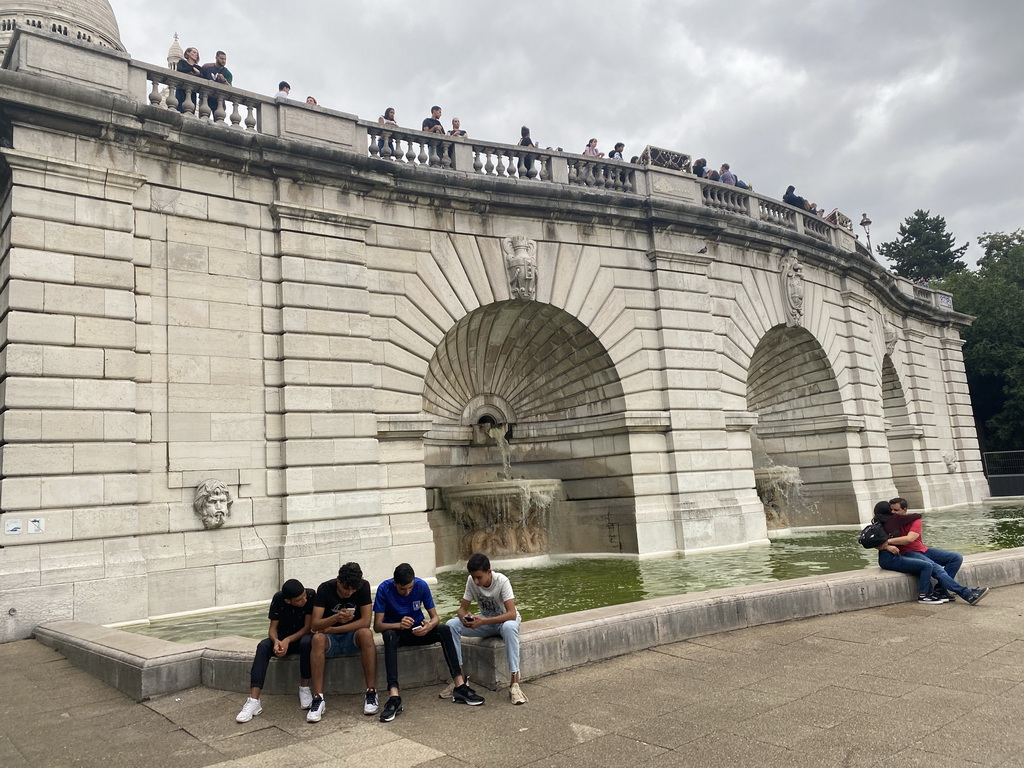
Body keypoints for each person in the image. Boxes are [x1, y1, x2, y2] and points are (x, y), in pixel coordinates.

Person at [374, 563, 483, 722]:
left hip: (419, 630)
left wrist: (429, 627)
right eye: (402, 589)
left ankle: (460, 686)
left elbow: (435, 617)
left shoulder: (421, 586)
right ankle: (394, 696)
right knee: (389, 635)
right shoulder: (384, 589)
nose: (407, 592)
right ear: (395, 583)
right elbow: (377, 626)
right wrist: (398, 624)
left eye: (410, 588)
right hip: (397, 633)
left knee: (445, 630)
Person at [445, 553, 527, 705]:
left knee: (509, 627)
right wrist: (465, 617)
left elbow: (511, 614)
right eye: (473, 577)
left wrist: (483, 622)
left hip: (504, 622)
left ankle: (515, 684)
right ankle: (460, 681)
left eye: (479, 577)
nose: (476, 581)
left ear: (489, 572)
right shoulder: (471, 581)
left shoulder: (502, 581)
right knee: (451, 625)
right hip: (485, 623)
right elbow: (461, 609)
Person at [871, 501, 989, 605]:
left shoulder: (910, 520)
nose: (893, 512)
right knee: (935, 568)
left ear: (905, 510)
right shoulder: (891, 522)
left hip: (923, 550)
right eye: (891, 510)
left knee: (956, 557)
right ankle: (967, 593)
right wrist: (885, 545)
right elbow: (877, 541)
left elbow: (910, 536)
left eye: (896, 510)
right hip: (909, 553)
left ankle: (941, 590)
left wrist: (885, 543)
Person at [306, 562, 379, 723]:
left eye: (353, 589)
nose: (350, 592)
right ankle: (318, 698)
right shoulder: (325, 588)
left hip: (350, 636)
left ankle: (371, 692)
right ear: (338, 581)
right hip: (329, 639)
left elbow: (366, 622)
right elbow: (315, 624)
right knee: (317, 639)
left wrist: (334, 629)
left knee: (367, 634)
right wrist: (335, 618)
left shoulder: (363, 587)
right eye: (346, 588)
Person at [235, 578, 315, 723]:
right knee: (262, 646)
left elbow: (307, 627)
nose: (303, 600)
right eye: (298, 599)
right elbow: (272, 629)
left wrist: (288, 640)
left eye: (303, 596)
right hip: (282, 637)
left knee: (307, 642)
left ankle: (304, 687)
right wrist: (276, 642)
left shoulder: (310, 596)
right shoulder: (278, 599)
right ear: (288, 601)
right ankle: (254, 700)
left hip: (299, 637)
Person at [201, 51, 232, 117]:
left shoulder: (227, 73)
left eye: (225, 59)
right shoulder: (206, 67)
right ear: (216, 57)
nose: (223, 61)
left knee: (219, 122)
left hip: (219, 101)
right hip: (205, 98)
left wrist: (224, 80)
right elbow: (200, 78)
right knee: (203, 120)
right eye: (221, 58)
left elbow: (230, 89)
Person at [175, 46, 202, 113]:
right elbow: (179, 70)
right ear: (188, 53)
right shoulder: (182, 62)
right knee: (180, 109)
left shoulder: (198, 67)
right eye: (194, 52)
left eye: (197, 53)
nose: (196, 54)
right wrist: (192, 69)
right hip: (181, 89)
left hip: (192, 91)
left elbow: (202, 76)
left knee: (191, 111)